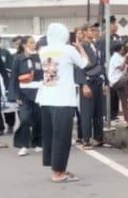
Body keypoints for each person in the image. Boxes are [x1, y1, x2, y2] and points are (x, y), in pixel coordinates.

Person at [37, 23, 89, 183]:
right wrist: (81, 48)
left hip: (46, 98)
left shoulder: (43, 50)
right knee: (62, 137)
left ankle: (56, 167)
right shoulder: (69, 49)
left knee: (51, 134)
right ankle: (58, 173)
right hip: (63, 99)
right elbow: (84, 64)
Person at [9, 36, 43, 157]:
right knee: (25, 118)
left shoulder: (39, 57)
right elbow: (13, 77)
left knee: (38, 118)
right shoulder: (18, 59)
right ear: (24, 45)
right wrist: (15, 94)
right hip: (23, 93)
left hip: (38, 92)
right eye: (31, 42)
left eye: (34, 42)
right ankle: (23, 145)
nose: (34, 44)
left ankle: (38, 143)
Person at [79, 24, 107, 150]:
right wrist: (84, 84)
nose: (94, 32)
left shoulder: (95, 46)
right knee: (87, 113)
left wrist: (105, 81)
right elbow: (79, 67)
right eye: (91, 30)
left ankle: (99, 138)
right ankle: (86, 140)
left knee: (98, 112)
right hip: (88, 82)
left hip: (98, 81)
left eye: (95, 30)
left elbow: (102, 64)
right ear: (84, 32)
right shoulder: (81, 47)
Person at [109, 41, 128, 127]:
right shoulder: (115, 57)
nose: (124, 49)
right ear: (119, 48)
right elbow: (121, 67)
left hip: (120, 80)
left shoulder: (119, 57)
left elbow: (125, 68)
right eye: (122, 48)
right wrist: (126, 58)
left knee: (124, 103)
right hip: (116, 81)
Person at [0, 33, 16, 135]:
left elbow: (11, 68)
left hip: (5, 80)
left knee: (8, 105)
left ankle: (10, 124)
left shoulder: (5, 53)